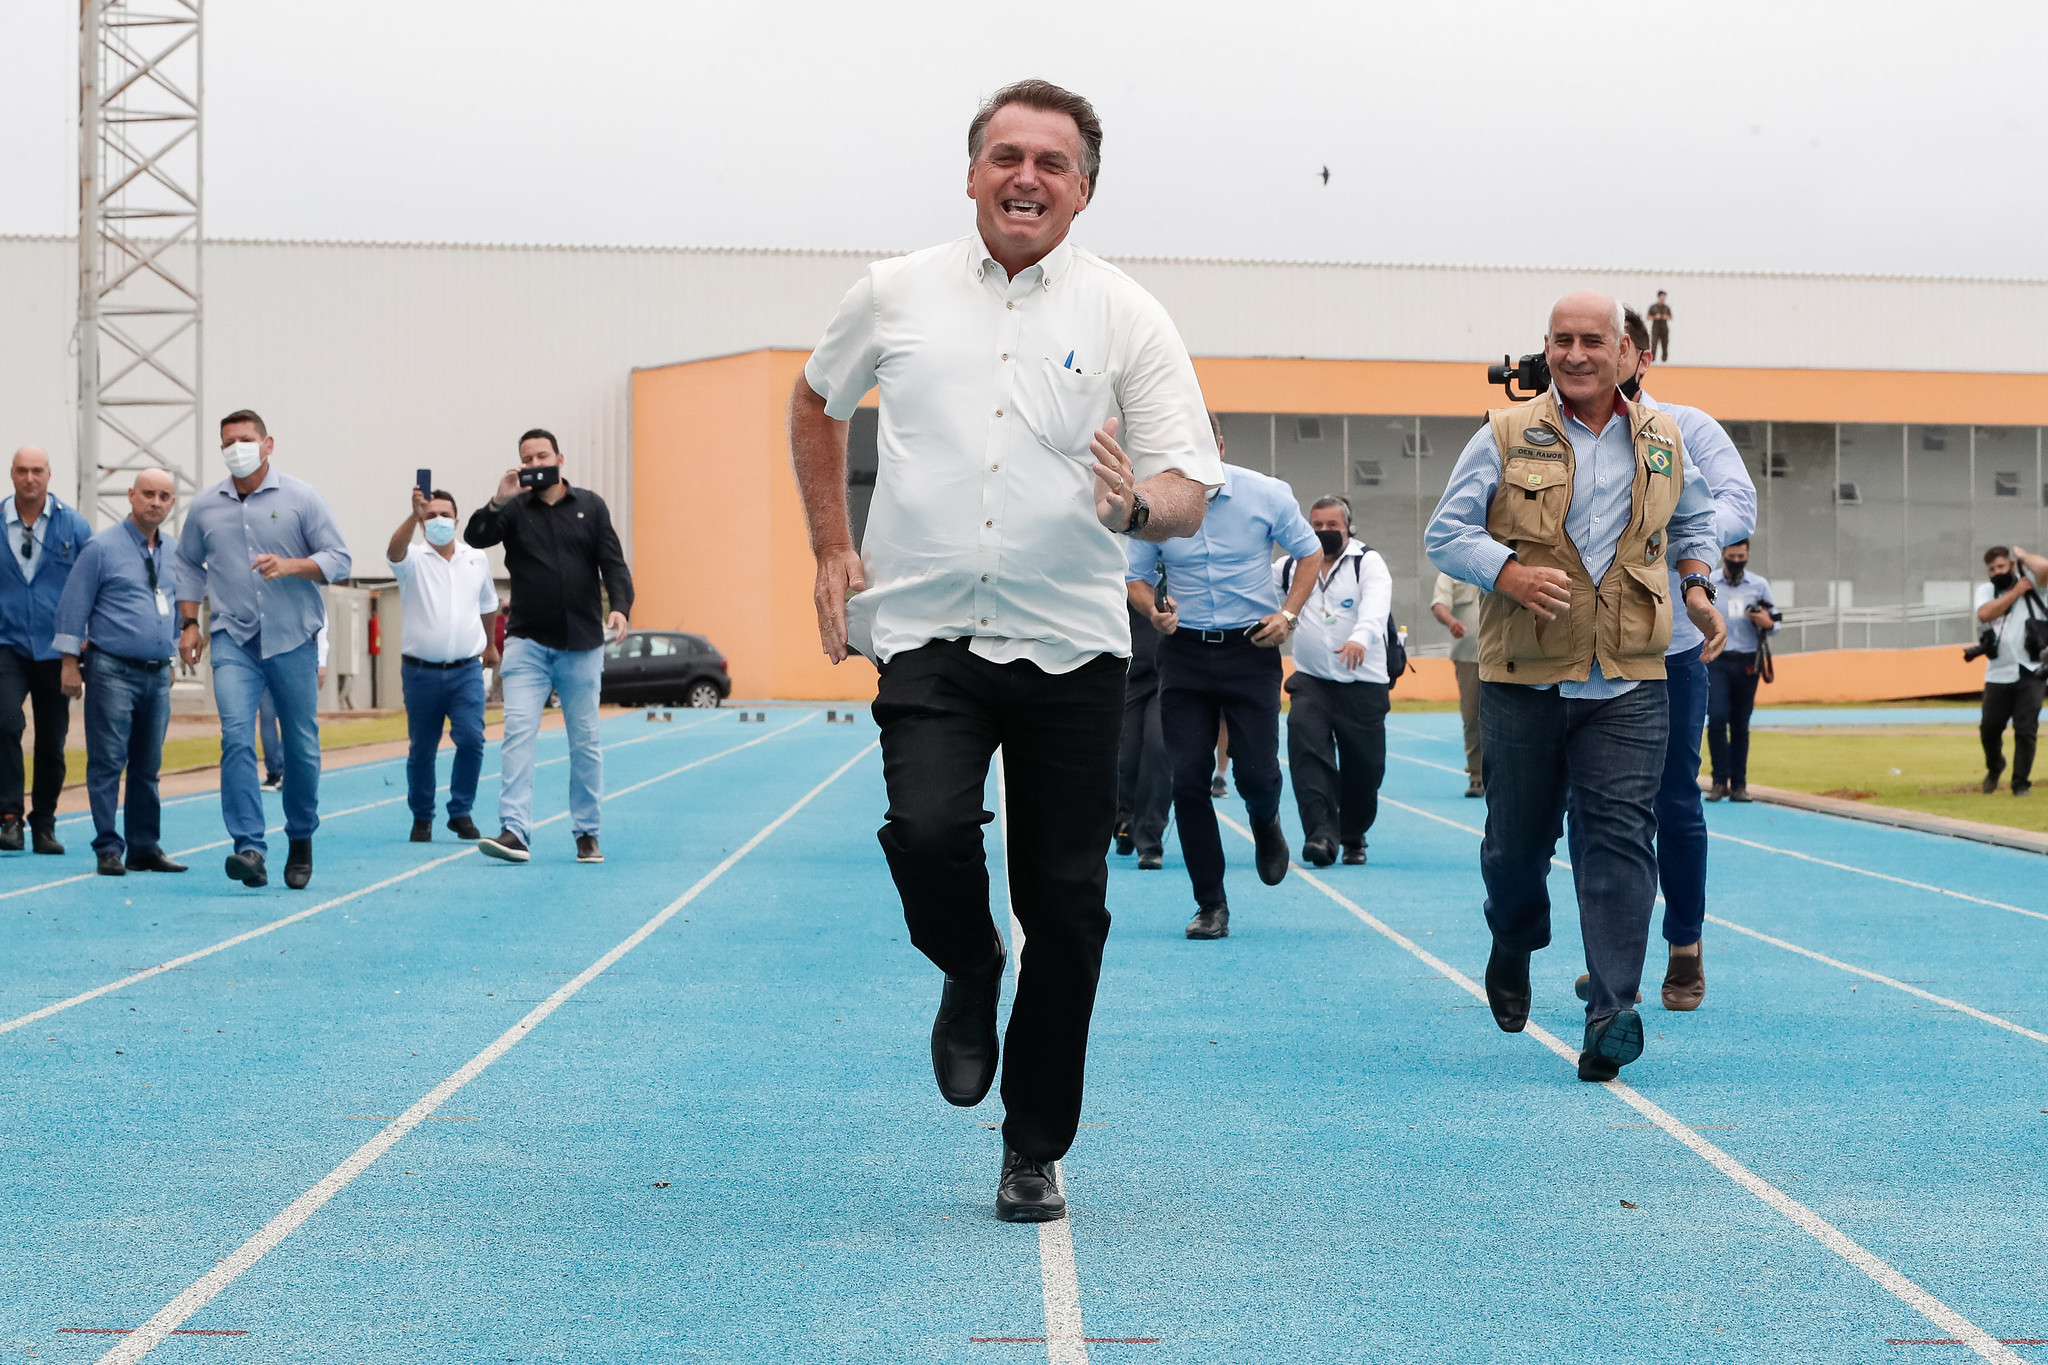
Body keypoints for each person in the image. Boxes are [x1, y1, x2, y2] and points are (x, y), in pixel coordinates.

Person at [789, 80, 1220, 1223]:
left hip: (1072, 643)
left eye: (1051, 162)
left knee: (1067, 906)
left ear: (1083, 189)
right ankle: (969, 962)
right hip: (928, 627)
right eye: (1004, 156)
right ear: (971, 171)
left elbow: (1184, 487)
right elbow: (815, 399)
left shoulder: (1127, 316)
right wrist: (832, 546)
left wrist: (1138, 514)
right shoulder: (892, 293)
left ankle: (1032, 1145)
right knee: (925, 831)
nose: (1025, 176)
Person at [1426, 290, 1724, 1084]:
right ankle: (1515, 937)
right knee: (1516, 846)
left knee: (1624, 837)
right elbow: (1445, 534)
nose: (1577, 353)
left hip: (1630, 675)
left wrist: (1698, 590)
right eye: (1562, 340)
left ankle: (1612, 1014)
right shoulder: (1503, 433)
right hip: (1525, 676)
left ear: (1626, 350)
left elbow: (1692, 528)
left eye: (1594, 339)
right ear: (1547, 348)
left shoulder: (1666, 438)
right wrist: (1510, 574)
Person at [1574, 307, 1753, 1014]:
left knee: (1673, 797)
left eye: (1606, 348)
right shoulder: (1548, 431)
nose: (1589, 361)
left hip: (1670, 643)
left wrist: (1671, 528)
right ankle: (1611, 957)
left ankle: (1684, 944)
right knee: (1590, 808)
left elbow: (1737, 501)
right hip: (1582, 647)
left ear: (1638, 358)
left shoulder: (1686, 429)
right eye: (1575, 346)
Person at [1128, 414, 1321, 939]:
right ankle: (1210, 904)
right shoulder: (1154, 506)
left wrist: (1289, 614)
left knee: (1255, 775)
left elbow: (1310, 552)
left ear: (1218, 444)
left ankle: (1266, 822)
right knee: (1186, 780)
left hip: (1250, 650)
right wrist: (1153, 612)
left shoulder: (1267, 494)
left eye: (1200, 443)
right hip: (1185, 654)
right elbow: (1137, 577)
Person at [178, 410, 350, 889]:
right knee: (235, 736)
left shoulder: (302, 498)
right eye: (229, 441)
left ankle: (300, 837)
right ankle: (249, 848)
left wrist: (293, 565)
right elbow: (189, 565)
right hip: (234, 638)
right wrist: (189, 622)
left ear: (268, 444)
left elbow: (339, 559)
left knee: (300, 746)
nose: (238, 448)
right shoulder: (205, 506)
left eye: (247, 439)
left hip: (292, 637)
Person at [466, 428, 630, 865]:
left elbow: (612, 562)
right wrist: (499, 499)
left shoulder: (591, 506)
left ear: (560, 457)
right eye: (527, 459)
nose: (536, 464)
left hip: (581, 644)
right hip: (527, 643)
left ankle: (587, 833)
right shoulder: (514, 510)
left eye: (542, 455)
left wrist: (620, 606)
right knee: (518, 733)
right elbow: (476, 537)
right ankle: (514, 831)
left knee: (586, 741)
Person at [51, 469, 189, 875]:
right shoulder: (101, 548)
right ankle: (108, 847)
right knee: (108, 761)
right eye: (148, 493)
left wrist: (171, 656)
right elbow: (73, 607)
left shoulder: (174, 552)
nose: (156, 502)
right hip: (111, 669)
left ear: (172, 503)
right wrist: (69, 663)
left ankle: (145, 846)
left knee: (148, 765)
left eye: (165, 496)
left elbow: (178, 608)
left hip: (157, 672)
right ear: (131, 495)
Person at [1278, 495, 1392, 866]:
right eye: (1317, 526)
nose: (1324, 532)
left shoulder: (1367, 563)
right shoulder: (1291, 567)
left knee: (1365, 769)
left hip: (1363, 683)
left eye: (1332, 526)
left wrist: (1361, 636)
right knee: (1307, 749)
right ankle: (1321, 836)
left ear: (1348, 528)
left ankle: (1353, 833)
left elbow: (1377, 607)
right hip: (1311, 682)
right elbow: (1259, 597)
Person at [388, 485, 501, 842]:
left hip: (466, 669)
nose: (438, 520)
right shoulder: (413, 560)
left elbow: (488, 604)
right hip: (421, 671)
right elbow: (394, 550)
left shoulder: (475, 559)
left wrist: (491, 646)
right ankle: (422, 816)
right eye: (430, 515)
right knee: (422, 748)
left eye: (444, 514)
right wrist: (413, 514)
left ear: (457, 519)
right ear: (423, 522)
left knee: (471, 739)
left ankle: (461, 811)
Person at [0, 446, 92, 855]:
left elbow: (93, 586)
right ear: (12, 474)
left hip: (58, 651)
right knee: (5, 725)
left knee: (52, 741)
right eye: (23, 470)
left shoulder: (74, 526)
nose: (30, 478)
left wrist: (84, 640)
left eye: (37, 470)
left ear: (49, 474)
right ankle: (8, 817)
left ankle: (45, 822)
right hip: (7, 645)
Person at [1705, 540, 1776, 804]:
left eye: (1741, 556)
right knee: (1717, 717)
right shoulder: (1709, 582)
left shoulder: (1758, 585)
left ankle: (1739, 785)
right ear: (1723, 554)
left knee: (1740, 724)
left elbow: (1775, 620)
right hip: (1717, 659)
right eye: (1732, 555)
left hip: (1748, 661)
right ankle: (1718, 782)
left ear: (1747, 556)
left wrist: (1764, 621)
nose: (1736, 560)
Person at [1974, 545, 2048, 796]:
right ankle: (1995, 767)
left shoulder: (2035, 585)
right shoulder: (1987, 591)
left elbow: (2045, 568)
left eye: (2001, 566)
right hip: (1998, 672)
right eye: (1992, 569)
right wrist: (2015, 592)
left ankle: (2020, 783)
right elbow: (1985, 614)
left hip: (2032, 669)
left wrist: (2025, 556)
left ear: (2012, 565)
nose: (1997, 572)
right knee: (1989, 729)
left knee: (2026, 729)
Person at [1115, 583, 1173, 870]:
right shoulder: (1126, 557)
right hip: (1128, 671)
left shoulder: (1183, 561)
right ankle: (1124, 817)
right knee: (1124, 754)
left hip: (1171, 674)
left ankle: (1150, 839)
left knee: (1159, 748)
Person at [1430, 571, 1485, 797]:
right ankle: (1477, 777)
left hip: (1507, 658)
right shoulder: (1452, 567)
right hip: (1469, 657)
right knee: (1472, 717)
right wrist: (1452, 621)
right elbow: (1439, 604)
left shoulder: (1508, 556)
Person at [258, 623, 328, 788]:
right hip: (269, 656)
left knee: (289, 716)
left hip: (290, 656)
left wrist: (321, 659)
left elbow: (320, 623)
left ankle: (285, 771)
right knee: (271, 715)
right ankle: (276, 770)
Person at [1646, 291, 1672, 361]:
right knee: (1654, 345)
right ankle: (1652, 360)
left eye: (1664, 297)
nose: (1663, 298)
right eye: (1662, 297)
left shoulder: (1667, 307)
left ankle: (1664, 360)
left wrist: (1665, 316)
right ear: (1659, 297)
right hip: (1656, 329)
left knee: (1665, 345)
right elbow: (1648, 317)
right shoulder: (1653, 307)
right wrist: (1655, 317)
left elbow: (1671, 317)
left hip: (1664, 329)